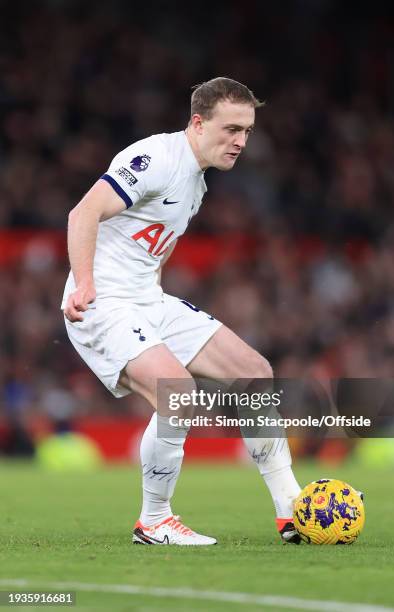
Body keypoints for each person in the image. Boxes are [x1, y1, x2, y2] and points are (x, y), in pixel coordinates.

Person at [62, 77, 301, 545]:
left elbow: (154, 247)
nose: (241, 141)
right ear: (197, 123)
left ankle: (291, 508)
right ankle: (154, 520)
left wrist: (154, 292)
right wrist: (85, 284)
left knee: (254, 371)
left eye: (247, 132)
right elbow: (82, 214)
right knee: (180, 395)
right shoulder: (155, 159)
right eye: (232, 129)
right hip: (104, 301)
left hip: (145, 299)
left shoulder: (196, 181)